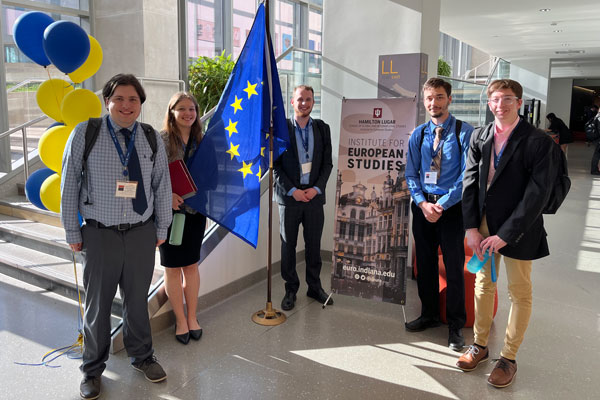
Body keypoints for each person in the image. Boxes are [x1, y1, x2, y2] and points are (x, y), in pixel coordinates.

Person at [61, 74, 172, 399]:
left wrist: (161, 227)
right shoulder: (87, 133)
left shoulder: (150, 137)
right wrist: (72, 229)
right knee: (98, 305)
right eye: (119, 99)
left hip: (140, 234)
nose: (126, 105)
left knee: (137, 301)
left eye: (133, 100)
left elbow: (162, 186)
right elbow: (69, 185)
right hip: (99, 234)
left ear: (140, 104)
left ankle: (143, 356)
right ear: (107, 101)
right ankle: (92, 370)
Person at [457, 79, 555, 388]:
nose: (502, 105)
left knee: (519, 291)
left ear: (519, 102)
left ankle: (508, 357)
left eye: (508, 99)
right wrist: (472, 227)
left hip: (520, 227)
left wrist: (507, 234)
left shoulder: (538, 141)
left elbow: (537, 194)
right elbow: (469, 182)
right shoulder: (479, 136)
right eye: (496, 99)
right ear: (489, 103)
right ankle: (480, 345)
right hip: (485, 224)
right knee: (483, 285)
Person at [405, 77, 474, 351]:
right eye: (430, 98)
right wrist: (422, 203)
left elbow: (467, 177)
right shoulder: (418, 134)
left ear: (450, 99)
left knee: (454, 267)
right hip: (423, 208)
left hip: (451, 209)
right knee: (425, 264)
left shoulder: (464, 132)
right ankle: (429, 314)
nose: (434, 102)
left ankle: (456, 325)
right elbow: (411, 174)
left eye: (440, 97)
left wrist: (442, 205)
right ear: (424, 101)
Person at [274, 84, 333, 311]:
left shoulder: (322, 128)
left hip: (314, 197)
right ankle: (291, 288)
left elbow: (327, 164)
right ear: (292, 102)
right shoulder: (282, 129)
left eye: (308, 99)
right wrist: (293, 190)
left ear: (313, 102)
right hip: (289, 198)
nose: (304, 103)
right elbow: (276, 166)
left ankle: (314, 286)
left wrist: (316, 189)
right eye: (300, 99)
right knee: (288, 246)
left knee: (313, 245)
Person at [159, 92, 207, 345]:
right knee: (172, 268)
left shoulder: (203, 140)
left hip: (196, 213)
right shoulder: (161, 140)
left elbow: (212, 175)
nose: (188, 113)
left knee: (191, 266)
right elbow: (151, 176)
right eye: (182, 109)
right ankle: (179, 320)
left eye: (192, 109)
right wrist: (168, 195)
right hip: (169, 214)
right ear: (172, 112)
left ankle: (192, 317)